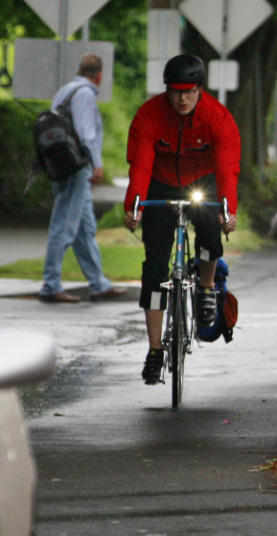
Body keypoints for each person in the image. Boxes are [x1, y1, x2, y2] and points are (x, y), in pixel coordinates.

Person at [122, 54, 240, 385]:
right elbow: (141, 166)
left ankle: (204, 287)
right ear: (167, 91)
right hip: (160, 182)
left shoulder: (217, 118)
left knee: (209, 237)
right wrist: (134, 206)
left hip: (202, 181)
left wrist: (228, 209)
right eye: (175, 92)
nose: (183, 99)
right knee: (156, 269)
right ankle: (155, 349)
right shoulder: (149, 115)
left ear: (200, 89)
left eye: (189, 91)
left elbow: (228, 166)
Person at [38, 53, 127, 304]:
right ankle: (51, 284)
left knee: (84, 230)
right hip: (76, 169)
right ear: (99, 75)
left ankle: (98, 283)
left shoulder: (65, 91)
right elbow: (86, 133)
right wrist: (97, 164)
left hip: (60, 165)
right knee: (64, 225)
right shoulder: (85, 94)